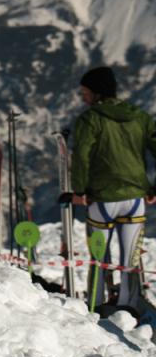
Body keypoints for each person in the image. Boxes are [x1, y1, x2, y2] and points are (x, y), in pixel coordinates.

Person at [69, 66, 156, 317]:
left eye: (85, 92)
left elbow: (81, 157)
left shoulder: (90, 119)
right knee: (130, 258)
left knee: (99, 256)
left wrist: (79, 190)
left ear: (96, 93)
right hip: (135, 199)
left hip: (102, 199)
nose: (83, 97)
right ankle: (128, 308)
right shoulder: (140, 117)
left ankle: (96, 305)